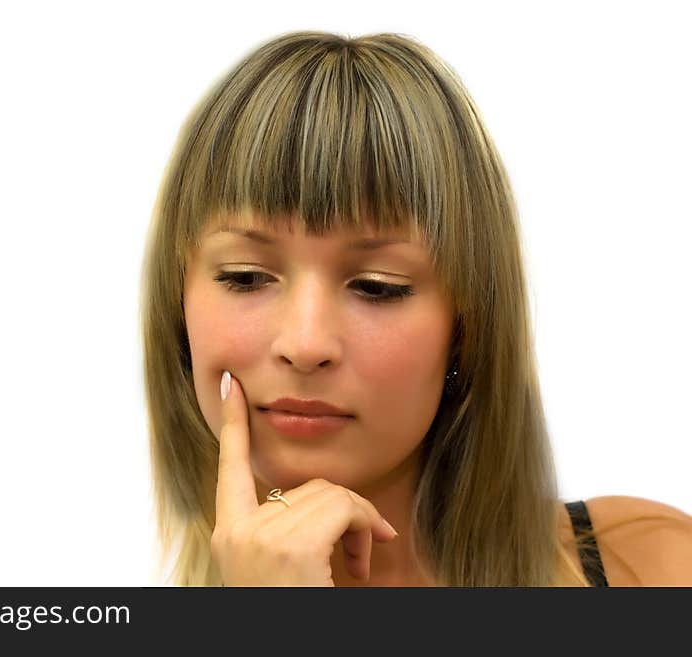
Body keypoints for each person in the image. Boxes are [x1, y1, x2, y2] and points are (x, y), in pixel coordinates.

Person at [138, 30, 692, 586]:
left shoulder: (651, 567)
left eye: (377, 286)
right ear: (177, 310)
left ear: (467, 325)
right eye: (246, 277)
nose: (305, 345)